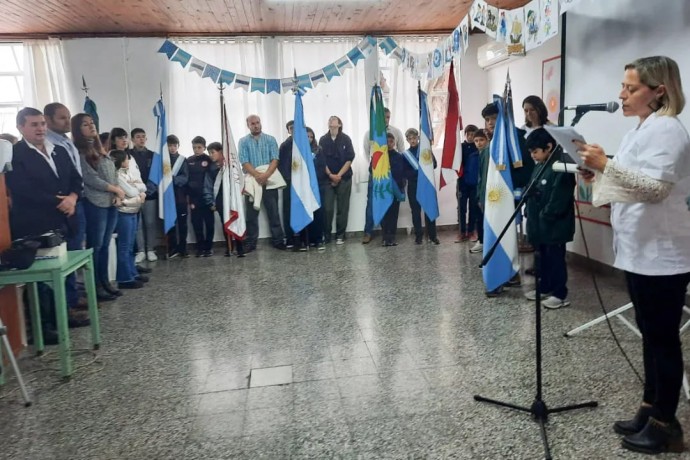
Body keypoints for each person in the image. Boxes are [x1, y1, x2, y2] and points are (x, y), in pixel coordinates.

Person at [577, 56, 690, 455]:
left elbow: (655, 189)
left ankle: (667, 426)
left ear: (659, 91)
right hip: (639, 250)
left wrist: (606, 164)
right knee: (650, 336)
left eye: (631, 88)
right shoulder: (642, 128)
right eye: (622, 87)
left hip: (663, 254)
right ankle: (649, 406)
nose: (621, 95)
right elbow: (629, 178)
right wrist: (600, 170)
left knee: (663, 341)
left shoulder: (669, 130)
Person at [6, 107, 89, 328]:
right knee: (43, 281)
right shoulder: (15, 155)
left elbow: (75, 179)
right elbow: (23, 189)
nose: (40, 128)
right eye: (34, 125)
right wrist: (61, 202)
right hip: (35, 224)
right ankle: (45, 326)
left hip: (65, 220)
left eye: (42, 123)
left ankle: (65, 314)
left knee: (64, 270)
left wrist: (72, 197)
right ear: (21, 128)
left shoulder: (59, 150)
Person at [74, 113, 123, 301]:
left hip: (111, 202)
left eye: (92, 122)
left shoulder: (100, 149)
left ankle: (104, 282)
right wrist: (115, 190)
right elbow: (89, 178)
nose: (91, 126)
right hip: (95, 203)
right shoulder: (80, 151)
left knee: (104, 246)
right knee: (97, 245)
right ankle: (94, 287)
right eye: (85, 124)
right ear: (78, 130)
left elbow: (113, 172)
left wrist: (116, 193)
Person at [523, 128, 575, 309]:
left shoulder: (561, 166)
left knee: (555, 259)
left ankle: (560, 294)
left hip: (554, 226)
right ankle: (544, 287)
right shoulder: (540, 165)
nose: (533, 156)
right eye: (530, 152)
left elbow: (559, 199)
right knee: (541, 259)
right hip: (539, 226)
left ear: (549, 147)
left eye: (535, 151)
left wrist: (545, 215)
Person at [44, 102, 89, 312]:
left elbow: (75, 175)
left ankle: (73, 296)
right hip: (60, 207)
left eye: (68, 116)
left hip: (75, 200)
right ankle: (66, 303)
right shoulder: (48, 143)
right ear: (49, 120)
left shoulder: (65, 142)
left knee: (74, 251)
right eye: (62, 117)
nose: (67, 121)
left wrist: (74, 195)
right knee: (65, 253)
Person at [238, 115, 286, 251]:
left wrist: (266, 175)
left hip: (270, 179)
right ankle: (251, 242)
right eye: (252, 123)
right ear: (248, 125)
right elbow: (244, 161)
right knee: (251, 214)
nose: (256, 125)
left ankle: (278, 241)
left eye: (258, 122)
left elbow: (275, 159)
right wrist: (258, 176)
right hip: (252, 180)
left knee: (274, 212)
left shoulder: (270, 139)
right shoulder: (243, 141)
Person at [362, 108, 405, 244]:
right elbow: (367, 152)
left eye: (388, 117)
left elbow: (402, 150)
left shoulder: (396, 132)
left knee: (392, 205)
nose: (386, 119)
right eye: (383, 117)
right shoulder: (370, 133)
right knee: (372, 203)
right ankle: (368, 232)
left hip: (394, 175)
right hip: (376, 173)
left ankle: (390, 235)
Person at [111, 150, 146, 289]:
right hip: (124, 212)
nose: (128, 162)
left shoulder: (128, 172)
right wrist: (138, 192)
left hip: (133, 211)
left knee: (131, 246)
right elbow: (131, 192)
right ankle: (124, 278)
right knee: (124, 246)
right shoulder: (117, 175)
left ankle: (132, 273)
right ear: (120, 161)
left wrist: (137, 189)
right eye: (126, 160)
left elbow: (143, 186)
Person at [202, 141, 244, 257]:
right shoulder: (211, 169)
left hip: (233, 199)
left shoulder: (231, 165)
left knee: (236, 221)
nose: (210, 155)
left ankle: (240, 247)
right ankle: (229, 247)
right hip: (220, 200)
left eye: (213, 152)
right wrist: (210, 201)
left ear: (221, 152)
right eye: (209, 153)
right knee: (225, 223)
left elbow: (238, 179)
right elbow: (208, 186)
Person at [319, 115, 355, 245]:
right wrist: (331, 175)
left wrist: (338, 176)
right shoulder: (323, 140)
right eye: (329, 120)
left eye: (334, 119)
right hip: (327, 179)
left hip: (344, 178)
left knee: (343, 208)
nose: (331, 121)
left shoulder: (346, 139)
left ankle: (340, 234)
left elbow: (349, 159)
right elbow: (321, 160)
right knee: (327, 208)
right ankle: (326, 235)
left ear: (339, 124)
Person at [402, 128, 439, 245]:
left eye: (414, 138)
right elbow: (405, 172)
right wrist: (419, 173)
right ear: (407, 140)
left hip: (426, 185)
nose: (412, 140)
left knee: (429, 209)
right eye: (410, 139)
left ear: (418, 137)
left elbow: (434, 165)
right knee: (415, 212)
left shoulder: (425, 150)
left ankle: (432, 236)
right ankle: (418, 236)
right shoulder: (405, 155)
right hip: (413, 185)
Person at [129, 127, 159, 263]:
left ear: (146, 139)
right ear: (132, 140)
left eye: (143, 136)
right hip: (133, 195)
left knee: (150, 223)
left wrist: (147, 192)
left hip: (149, 195)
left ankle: (150, 249)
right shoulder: (127, 155)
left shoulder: (153, 155)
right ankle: (140, 250)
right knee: (138, 224)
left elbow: (156, 176)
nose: (141, 139)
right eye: (138, 137)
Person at [187, 136, 215, 257]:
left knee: (209, 224)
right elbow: (187, 179)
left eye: (199, 147)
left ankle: (208, 248)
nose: (196, 150)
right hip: (194, 199)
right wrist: (190, 199)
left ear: (204, 147)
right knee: (196, 224)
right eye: (194, 147)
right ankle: (200, 248)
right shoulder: (189, 160)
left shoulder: (209, 160)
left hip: (207, 198)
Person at [165, 135, 190, 258]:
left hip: (180, 196)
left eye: (175, 145)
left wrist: (173, 179)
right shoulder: (163, 160)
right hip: (168, 197)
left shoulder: (182, 160)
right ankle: (173, 248)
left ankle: (183, 247)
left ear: (178, 146)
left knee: (182, 223)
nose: (172, 148)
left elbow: (185, 178)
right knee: (171, 223)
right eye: (170, 145)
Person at [380, 133, 406, 246]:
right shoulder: (379, 155)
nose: (389, 144)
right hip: (383, 189)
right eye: (387, 141)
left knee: (394, 214)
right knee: (384, 213)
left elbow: (401, 172)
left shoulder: (399, 156)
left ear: (394, 143)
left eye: (391, 141)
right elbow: (372, 170)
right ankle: (385, 237)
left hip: (395, 188)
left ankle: (392, 237)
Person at [456, 124, 479, 243]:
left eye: (472, 134)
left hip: (474, 183)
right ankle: (461, 232)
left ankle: (471, 231)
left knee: (473, 208)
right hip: (462, 182)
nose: (470, 136)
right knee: (461, 208)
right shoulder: (460, 147)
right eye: (468, 134)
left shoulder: (478, 147)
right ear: (465, 135)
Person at [307, 126, 327, 250]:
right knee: (307, 213)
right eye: (307, 137)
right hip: (305, 187)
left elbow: (322, 166)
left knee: (318, 213)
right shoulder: (299, 150)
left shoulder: (318, 150)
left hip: (318, 185)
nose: (309, 139)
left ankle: (319, 238)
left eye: (311, 137)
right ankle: (308, 239)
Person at [471, 129, 489, 255]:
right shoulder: (473, 156)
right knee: (479, 217)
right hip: (476, 190)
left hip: (488, 191)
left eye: (481, 140)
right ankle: (481, 240)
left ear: (487, 140)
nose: (479, 143)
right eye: (476, 141)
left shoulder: (490, 154)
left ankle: (488, 242)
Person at [278, 120, 296, 247]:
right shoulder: (285, 145)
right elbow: (282, 166)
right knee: (288, 210)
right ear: (288, 131)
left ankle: (306, 237)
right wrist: (289, 180)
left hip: (304, 182)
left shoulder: (306, 142)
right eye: (291, 128)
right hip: (289, 182)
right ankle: (289, 237)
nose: (294, 130)